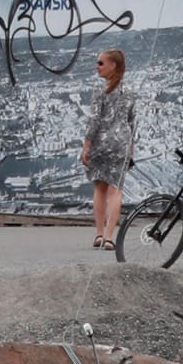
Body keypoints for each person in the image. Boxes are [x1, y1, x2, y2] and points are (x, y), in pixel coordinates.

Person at [78, 49, 134, 251]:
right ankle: (110, 238)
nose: (97, 66)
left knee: (100, 188)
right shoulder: (130, 90)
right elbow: (132, 120)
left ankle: (99, 234)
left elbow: (94, 121)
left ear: (113, 65)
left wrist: (86, 145)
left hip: (101, 144)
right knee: (116, 190)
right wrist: (131, 147)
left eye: (101, 63)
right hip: (121, 144)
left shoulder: (100, 90)